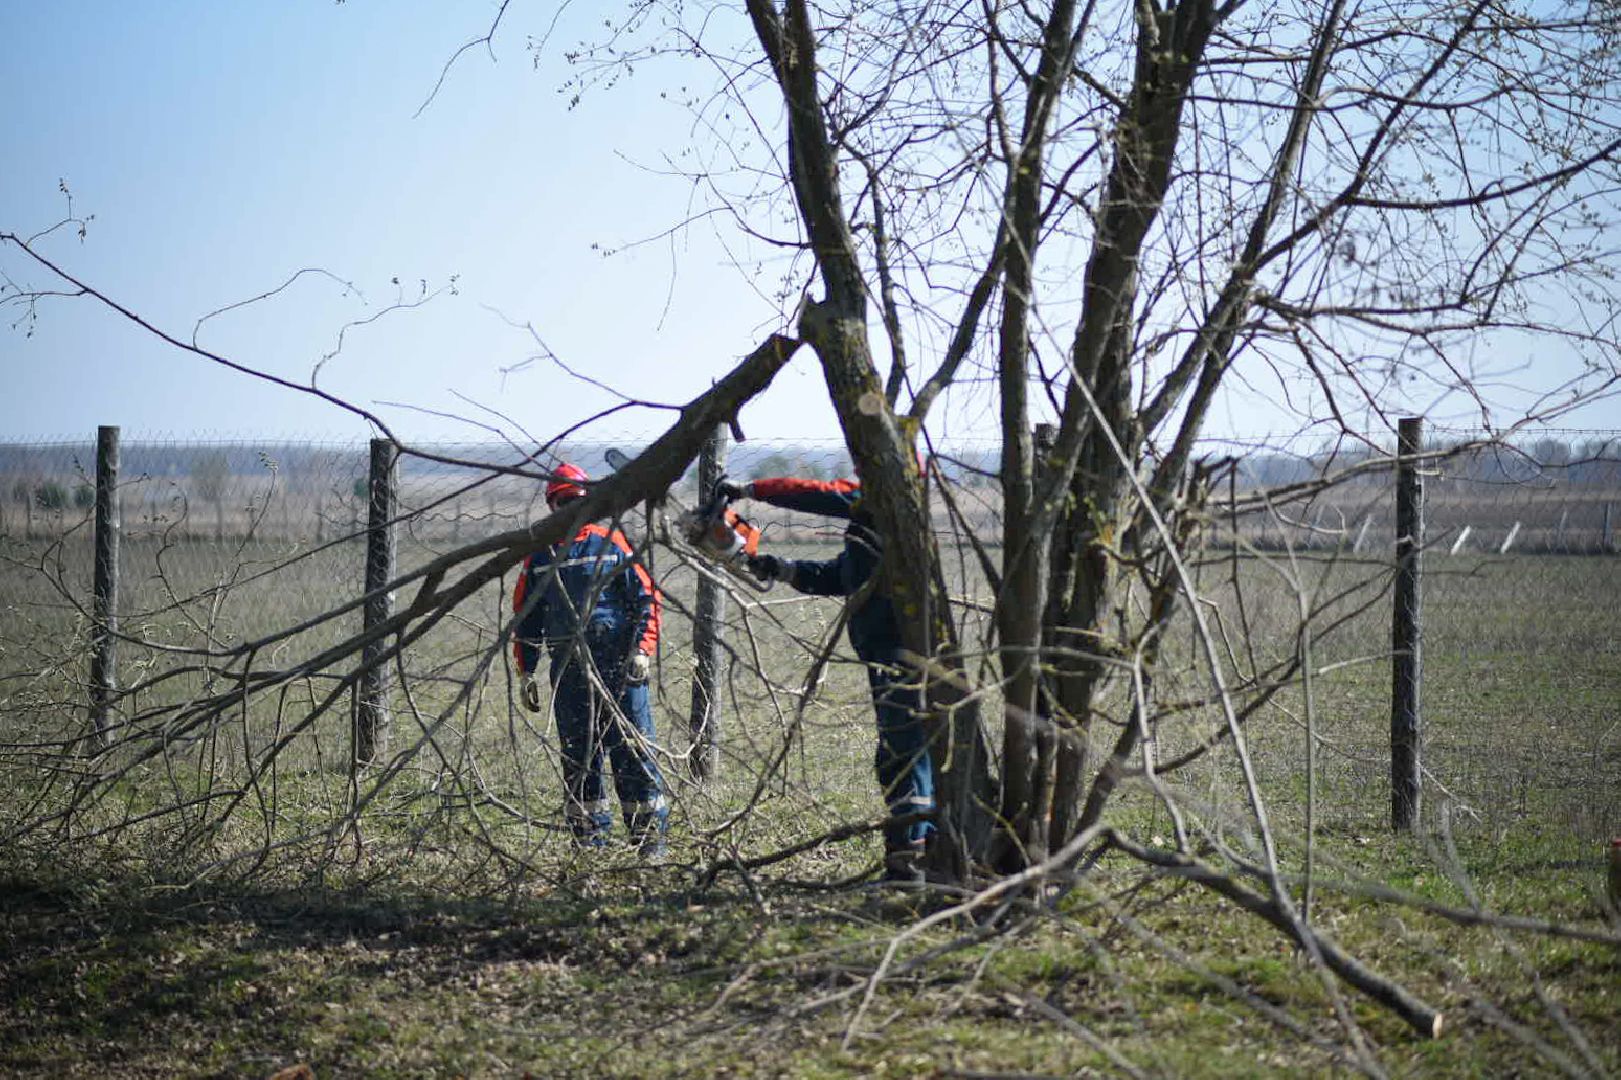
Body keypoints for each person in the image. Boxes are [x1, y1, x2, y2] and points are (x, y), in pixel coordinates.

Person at [716, 469, 935, 883]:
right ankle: (924, 850)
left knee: (904, 753)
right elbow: (842, 575)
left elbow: (822, 496)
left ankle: (913, 860)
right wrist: (780, 567)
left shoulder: (893, 508)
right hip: (884, 647)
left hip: (903, 649)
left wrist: (751, 490)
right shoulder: (873, 526)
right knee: (901, 751)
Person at [514, 462, 668, 856]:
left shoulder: (611, 541)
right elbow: (526, 617)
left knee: (633, 751)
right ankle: (590, 845)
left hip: (620, 669)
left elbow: (647, 597)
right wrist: (526, 671)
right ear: (552, 505)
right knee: (579, 758)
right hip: (568, 672)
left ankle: (649, 844)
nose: (569, 508)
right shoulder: (539, 556)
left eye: (576, 501)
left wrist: (642, 651)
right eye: (561, 502)